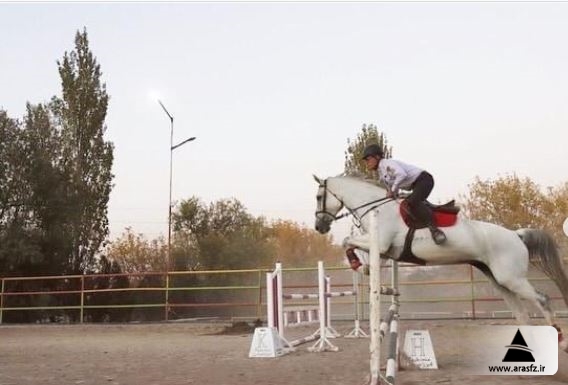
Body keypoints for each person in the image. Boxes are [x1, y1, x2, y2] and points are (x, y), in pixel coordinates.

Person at [361, 144, 447, 245]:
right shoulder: (382, 174)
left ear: (377, 157)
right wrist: (393, 193)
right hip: (416, 185)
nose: (367, 163)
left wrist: (392, 190)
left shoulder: (387, 163)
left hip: (424, 180)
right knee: (406, 205)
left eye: (368, 159)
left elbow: (402, 174)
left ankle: (435, 230)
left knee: (413, 202)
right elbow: (394, 190)